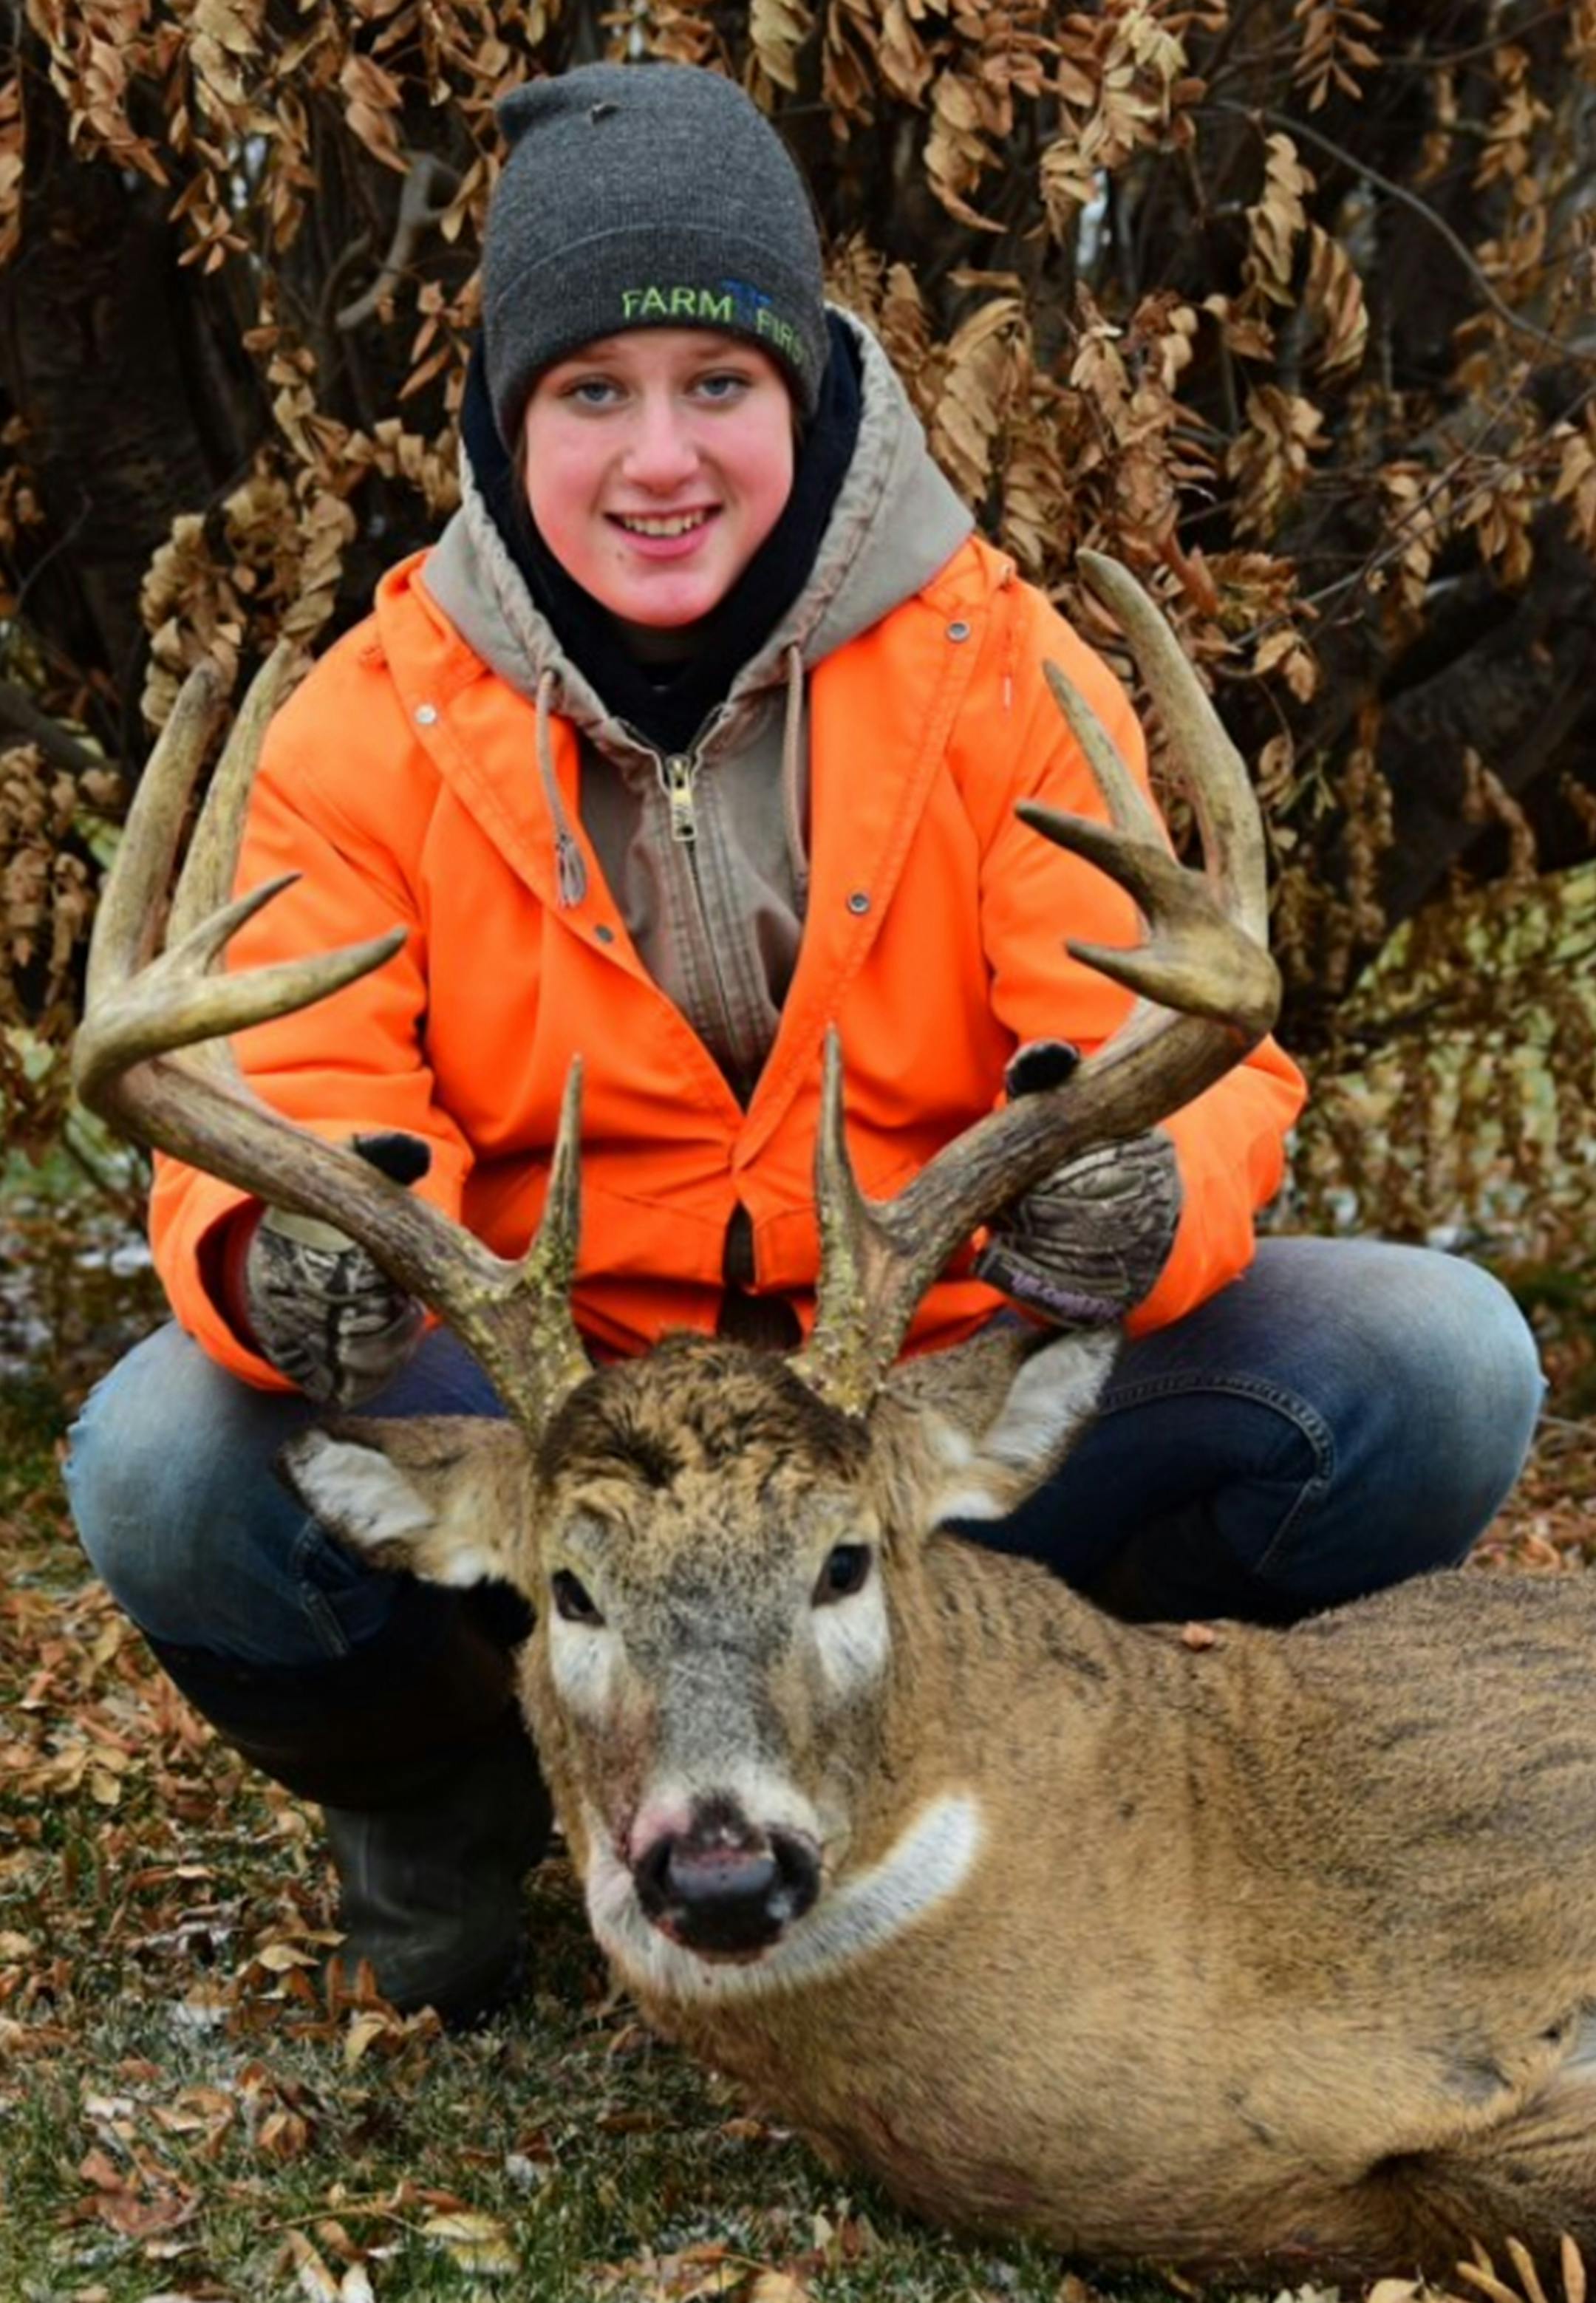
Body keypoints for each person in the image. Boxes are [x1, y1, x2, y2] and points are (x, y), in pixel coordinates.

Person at [64, 61, 1544, 2026]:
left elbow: (1167, 1032)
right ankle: (438, 1797)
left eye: (718, 388)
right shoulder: (366, 726)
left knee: (1428, 1370)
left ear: (810, 397)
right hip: (558, 1439)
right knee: (169, 1456)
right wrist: (279, 1258)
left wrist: (1132, 1192)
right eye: (592, 393)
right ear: (509, 424)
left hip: (899, 1408)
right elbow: (285, 1101)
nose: (658, 458)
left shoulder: (992, 663)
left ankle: (990, 1737)